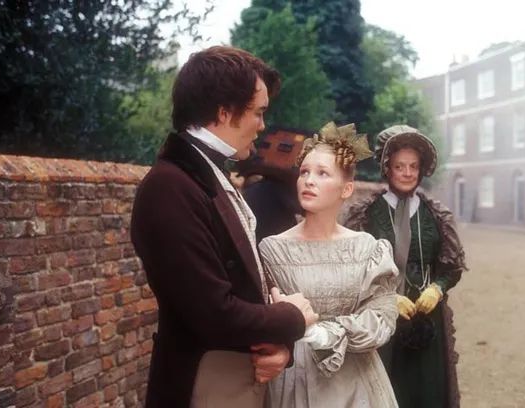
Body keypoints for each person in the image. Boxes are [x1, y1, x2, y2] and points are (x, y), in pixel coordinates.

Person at [130, 46, 318, 408]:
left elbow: (249, 286)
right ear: (224, 111)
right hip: (205, 383)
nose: (262, 126)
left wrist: (281, 347)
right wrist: (292, 318)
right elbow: (212, 313)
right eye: (258, 112)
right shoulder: (169, 186)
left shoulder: (208, 177)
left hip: (237, 377)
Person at [260, 122, 400, 408]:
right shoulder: (273, 250)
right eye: (304, 172)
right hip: (294, 380)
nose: (308, 180)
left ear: (346, 189)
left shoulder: (367, 249)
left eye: (322, 173)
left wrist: (327, 332)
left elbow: (382, 318)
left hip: (357, 385)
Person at [344, 125, 468, 408]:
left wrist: (437, 288)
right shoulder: (365, 214)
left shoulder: (436, 215)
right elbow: (352, 269)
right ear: (387, 168)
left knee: (426, 393)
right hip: (381, 322)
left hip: (426, 322)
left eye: (414, 166)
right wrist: (386, 297)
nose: (407, 173)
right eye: (400, 166)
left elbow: (452, 267)